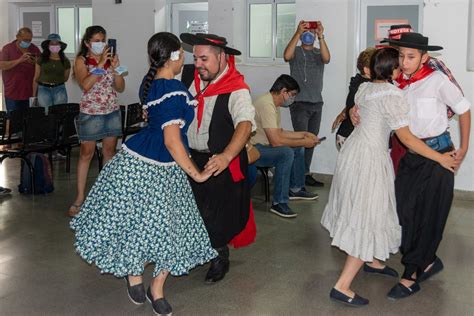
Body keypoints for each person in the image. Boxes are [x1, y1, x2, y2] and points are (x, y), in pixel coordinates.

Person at [70, 32, 217, 315]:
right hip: (155, 163)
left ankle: (156, 287)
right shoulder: (173, 91)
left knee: (163, 226)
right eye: (183, 54)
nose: (185, 58)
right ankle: (135, 274)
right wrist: (197, 174)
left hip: (140, 158)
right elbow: (173, 141)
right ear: (175, 56)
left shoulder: (154, 83)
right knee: (151, 225)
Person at [321, 47, 458, 306]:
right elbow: (406, 137)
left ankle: (372, 262)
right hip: (370, 159)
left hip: (353, 152)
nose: (404, 66)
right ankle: (342, 286)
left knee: (366, 209)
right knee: (368, 214)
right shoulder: (393, 94)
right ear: (393, 69)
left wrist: (352, 113)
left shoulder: (365, 87)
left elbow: (360, 112)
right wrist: (440, 157)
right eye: (400, 63)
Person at [379, 33, 470, 300]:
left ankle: (411, 275)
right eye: (400, 56)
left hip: (440, 153)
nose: (404, 62)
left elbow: (464, 110)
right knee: (404, 210)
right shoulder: (398, 84)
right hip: (413, 154)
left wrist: (463, 149)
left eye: (410, 57)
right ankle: (427, 260)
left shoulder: (437, 81)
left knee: (429, 215)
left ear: (424, 57)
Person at [179, 32, 256, 283]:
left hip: (222, 160)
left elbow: (245, 125)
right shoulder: (194, 80)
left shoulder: (237, 89)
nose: (198, 65)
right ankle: (198, 250)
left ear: (222, 57)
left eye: (204, 59)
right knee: (195, 209)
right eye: (195, 58)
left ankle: (219, 256)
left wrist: (226, 156)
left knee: (218, 214)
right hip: (193, 158)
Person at [378, 24, 463, 173]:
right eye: (397, 48)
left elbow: (457, 100)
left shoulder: (433, 66)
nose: (404, 59)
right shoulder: (392, 67)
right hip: (400, 138)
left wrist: (433, 120)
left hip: (427, 140)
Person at [68, 25, 125, 217]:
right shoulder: (81, 60)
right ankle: (80, 198)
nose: (101, 44)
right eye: (96, 40)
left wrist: (116, 69)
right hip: (91, 112)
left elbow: (120, 87)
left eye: (103, 40)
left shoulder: (110, 60)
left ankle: (107, 196)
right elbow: (85, 84)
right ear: (87, 42)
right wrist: (100, 65)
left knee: (109, 152)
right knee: (86, 154)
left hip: (111, 111)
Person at [251, 74, 320, 218]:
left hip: (265, 145)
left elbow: (279, 132)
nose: (292, 99)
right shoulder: (266, 104)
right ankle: (279, 203)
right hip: (254, 149)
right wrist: (304, 141)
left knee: (297, 148)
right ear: (283, 91)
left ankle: (295, 188)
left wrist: (304, 134)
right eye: (292, 94)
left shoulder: (273, 104)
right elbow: (276, 141)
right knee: (286, 153)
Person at [283, 20, 330, 187]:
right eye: (306, 32)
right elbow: (286, 56)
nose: (308, 35)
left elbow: (327, 58)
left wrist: (321, 35)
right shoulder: (295, 52)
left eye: (310, 32)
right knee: (301, 140)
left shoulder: (318, 53)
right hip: (300, 104)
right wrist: (297, 33)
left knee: (312, 141)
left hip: (317, 103)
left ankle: (304, 174)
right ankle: (297, 177)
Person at [332, 47, 376, 150]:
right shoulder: (362, 86)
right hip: (349, 136)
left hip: (351, 135)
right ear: (367, 70)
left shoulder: (363, 82)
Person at [0, 27, 41, 112]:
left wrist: (36, 63)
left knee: (30, 120)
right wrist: (19, 60)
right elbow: (2, 65)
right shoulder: (7, 48)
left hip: (31, 94)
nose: (27, 42)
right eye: (25, 40)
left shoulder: (34, 49)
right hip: (12, 93)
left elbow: (42, 67)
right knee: (13, 121)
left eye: (30, 40)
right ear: (17, 37)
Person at [32, 33, 70, 114]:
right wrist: (34, 95)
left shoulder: (65, 60)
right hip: (43, 90)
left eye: (57, 43)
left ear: (60, 45)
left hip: (60, 89)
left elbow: (66, 78)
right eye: (52, 43)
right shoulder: (41, 59)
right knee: (46, 114)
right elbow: (36, 78)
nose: (54, 45)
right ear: (48, 45)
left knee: (60, 114)